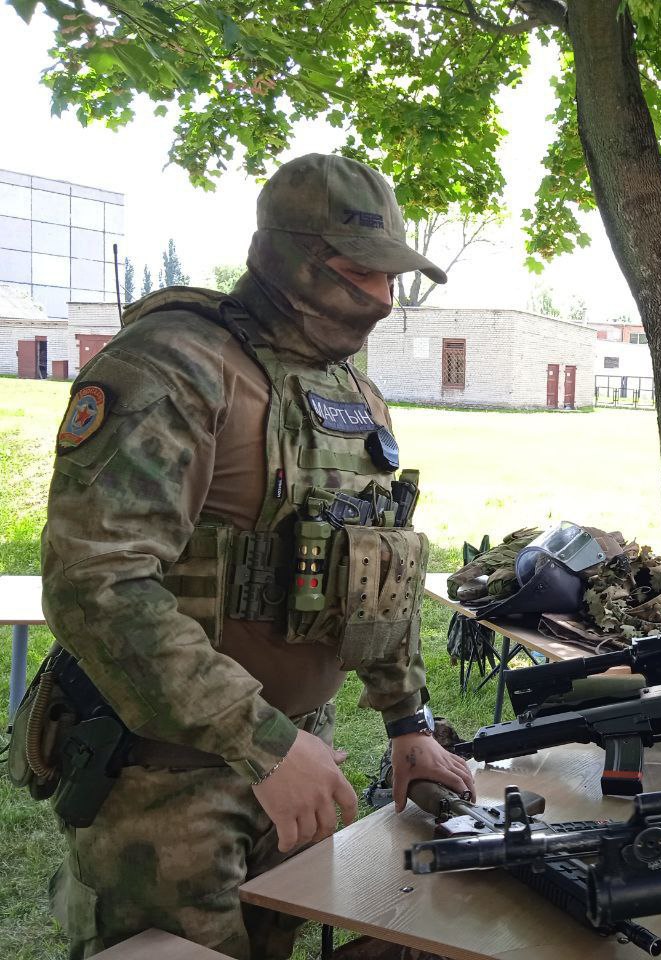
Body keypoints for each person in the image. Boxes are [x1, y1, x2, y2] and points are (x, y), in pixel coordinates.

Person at [35, 153, 475, 959]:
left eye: (391, 278)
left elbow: (378, 572)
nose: (381, 299)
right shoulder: (171, 366)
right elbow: (96, 585)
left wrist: (408, 723)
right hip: (165, 786)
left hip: (298, 761)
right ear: (291, 259)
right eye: (359, 273)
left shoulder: (352, 393)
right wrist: (264, 742)